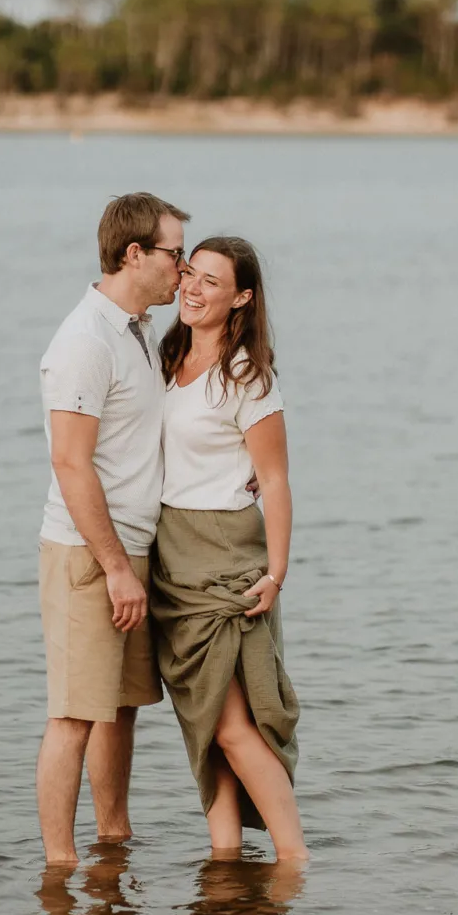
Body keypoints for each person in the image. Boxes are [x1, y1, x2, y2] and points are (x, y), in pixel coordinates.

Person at [36, 192, 190, 866]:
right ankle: (59, 872)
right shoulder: (84, 340)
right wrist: (117, 568)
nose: (182, 268)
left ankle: (113, 841)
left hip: (133, 547)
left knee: (121, 707)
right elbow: (70, 463)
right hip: (87, 555)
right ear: (135, 254)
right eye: (175, 254)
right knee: (73, 715)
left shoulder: (136, 329)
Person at [151, 237, 307, 861]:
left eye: (212, 281)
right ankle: (225, 860)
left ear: (240, 297)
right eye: (190, 272)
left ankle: (296, 860)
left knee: (233, 725)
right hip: (169, 556)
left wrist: (276, 574)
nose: (193, 287)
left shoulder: (245, 377)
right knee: (203, 721)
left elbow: (274, 481)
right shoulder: (162, 360)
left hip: (224, 553)